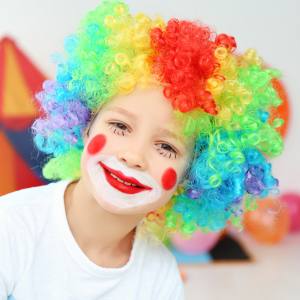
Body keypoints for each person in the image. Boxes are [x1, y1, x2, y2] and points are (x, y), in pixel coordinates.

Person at [0, 0, 284, 299]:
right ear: (85, 123)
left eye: (165, 147)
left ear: (192, 177)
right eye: (120, 127)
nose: (133, 156)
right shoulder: (12, 228)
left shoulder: (159, 278)